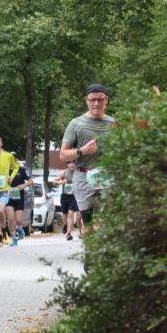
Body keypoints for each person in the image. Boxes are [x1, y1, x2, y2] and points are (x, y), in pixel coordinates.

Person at [60, 83, 115, 233]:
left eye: (100, 99)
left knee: (105, 219)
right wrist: (81, 151)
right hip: (83, 175)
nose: (96, 103)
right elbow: (63, 154)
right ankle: (92, 252)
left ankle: (104, 252)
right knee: (89, 224)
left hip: (107, 176)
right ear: (87, 100)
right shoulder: (76, 124)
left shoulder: (114, 124)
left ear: (106, 100)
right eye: (92, 100)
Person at [6, 157, 33, 246]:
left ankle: (20, 227)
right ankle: (14, 238)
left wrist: (24, 185)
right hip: (8, 197)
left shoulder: (22, 170)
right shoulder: (4, 170)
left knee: (18, 220)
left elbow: (31, 181)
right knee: (10, 219)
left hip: (19, 197)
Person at [54, 163, 82, 240]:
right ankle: (65, 226)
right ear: (67, 164)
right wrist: (61, 182)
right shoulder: (63, 173)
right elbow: (54, 182)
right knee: (65, 214)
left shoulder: (78, 172)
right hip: (65, 196)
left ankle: (69, 233)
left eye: (74, 163)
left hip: (75, 196)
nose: (72, 165)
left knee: (74, 214)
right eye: (70, 163)